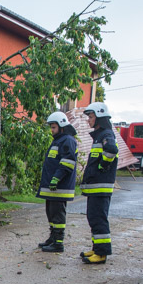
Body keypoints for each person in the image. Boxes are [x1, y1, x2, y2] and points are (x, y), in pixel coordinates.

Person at [80, 102, 118, 264]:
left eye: (91, 116)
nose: (88, 120)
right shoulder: (100, 135)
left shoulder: (106, 134)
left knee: (98, 218)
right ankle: (96, 248)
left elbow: (111, 150)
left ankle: (101, 254)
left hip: (100, 187)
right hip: (96, 187)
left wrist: (103, 164)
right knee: (93, 217)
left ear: (100, 117)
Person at [36, 111, 78, 252]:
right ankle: (53, 238)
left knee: (58, 214)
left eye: (53, 127)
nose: (52, 130)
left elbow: (67, 162)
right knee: (51, 213)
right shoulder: (58, 140)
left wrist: (56, 178)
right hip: (52, 188)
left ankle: (58, 243)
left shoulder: (68, 140)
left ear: (62, 126)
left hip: (60, 187)